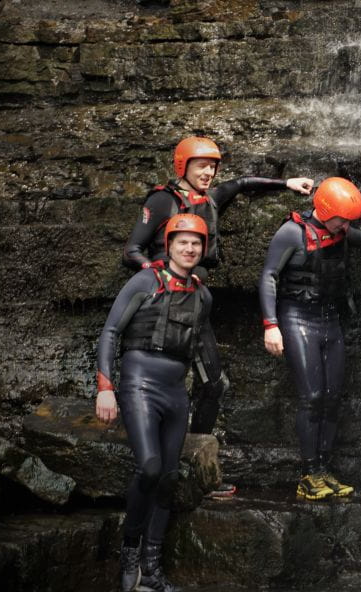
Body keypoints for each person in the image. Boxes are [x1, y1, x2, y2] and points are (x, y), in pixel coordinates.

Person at [122, 136, 313, 497]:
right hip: (163, 305)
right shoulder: (163, 200)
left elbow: (240, 186)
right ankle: (161, 468)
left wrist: (286, 183)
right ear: (183, 166)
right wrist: (158, 275)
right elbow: (132, 250)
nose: (209, 172)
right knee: (174, 384)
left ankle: (197, 467)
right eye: (201, 165)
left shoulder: (209, 198)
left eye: (213, 166)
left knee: (214, 385)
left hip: (196, 303)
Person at [259, 177, 361, 501]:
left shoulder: (342, 230)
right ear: (325, 209)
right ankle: (308, 475)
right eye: (342, 219)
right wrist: (270, 324)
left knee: (332, 399)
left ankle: (323, 469)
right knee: (313, 396)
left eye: (348, 220)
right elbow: (268, 276)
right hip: (297, 316)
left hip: (329, 318)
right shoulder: (292, 232)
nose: (345, 225)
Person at [96, 214, 214, 592]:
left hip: (176, 390)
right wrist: (105, 387)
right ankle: (130, 548)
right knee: (148, 468)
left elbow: (201, 353)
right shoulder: (145, 280)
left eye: (196, 243)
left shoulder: (202, 295)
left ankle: (153, 569)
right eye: (183, 242)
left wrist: (214, 389)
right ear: (169, 244)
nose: (190, 248)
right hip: (139, 383)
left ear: (203, 249)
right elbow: (111, 332)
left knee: (167, 479)